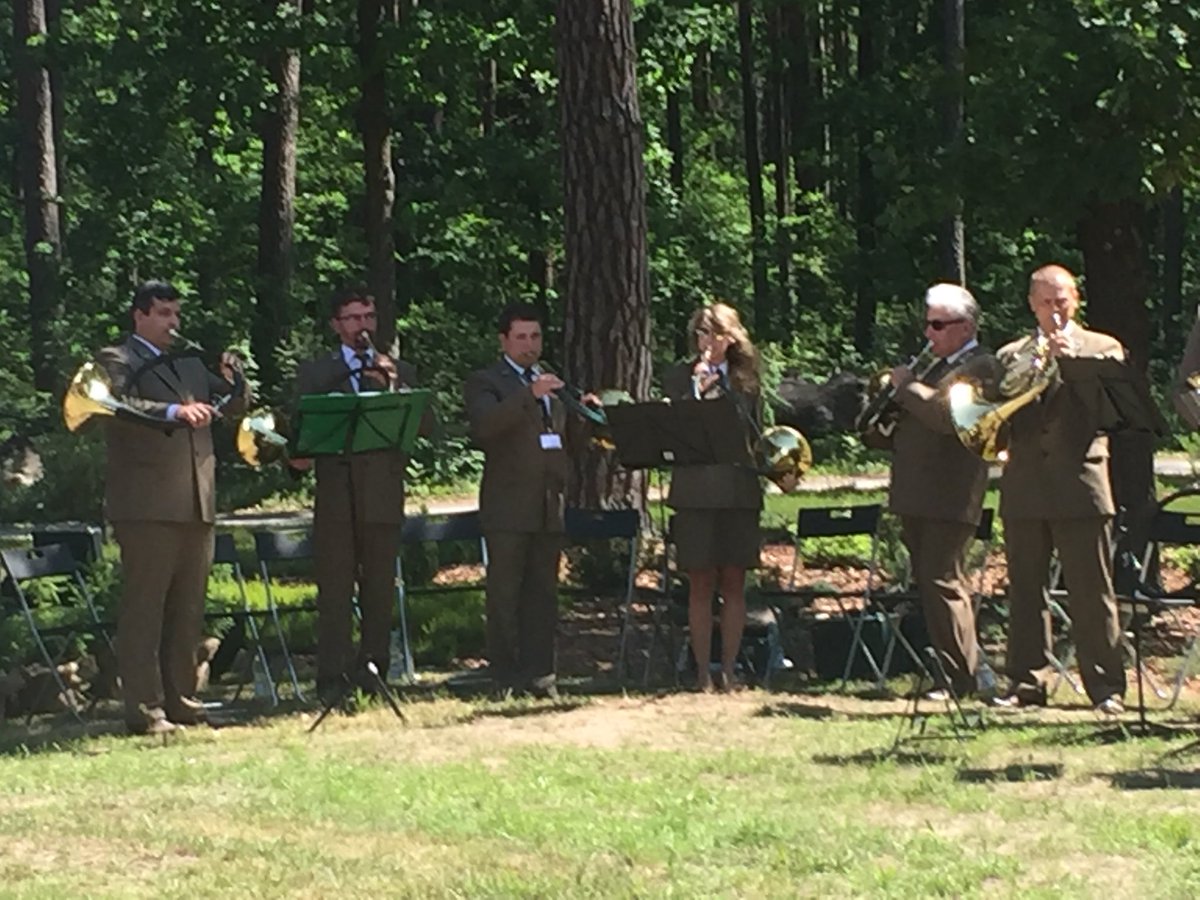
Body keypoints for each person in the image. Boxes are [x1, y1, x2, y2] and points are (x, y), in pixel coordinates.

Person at [97, 280, 247, 735]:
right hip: (146, 504)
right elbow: (113, 405)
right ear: (139, 315)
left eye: (176, 314)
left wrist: (236, 379)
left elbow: (233, 410)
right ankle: (144, 710)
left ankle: (183, 699)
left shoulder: (187, 361)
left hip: (196, 501)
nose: (173, 323)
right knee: (146, 608)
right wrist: (171, 414)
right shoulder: (117, 359)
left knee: (188, 608)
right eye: (163, 313)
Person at [995, 264, 1126, 713]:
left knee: (1093, 592)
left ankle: (1107, 688)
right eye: (1046, 301)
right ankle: (1026, 684)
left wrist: (1070, 361)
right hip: (1026, 484)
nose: (1055, 309)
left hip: (1081, 482)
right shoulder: (1013, 353)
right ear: (1032, 303)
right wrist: (1037, 365)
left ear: (1077, 299)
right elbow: (1000, 411)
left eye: (1062, 300)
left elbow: (1109, 408)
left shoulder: (1103, 347)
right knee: (1026, 591)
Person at [292, 287, 432, 700]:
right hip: (336, 497)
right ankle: (332, 680)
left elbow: (424, 427)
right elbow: (300, 433)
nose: (362, 326)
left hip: (383, 496)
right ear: (336, 325)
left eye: (368, 317)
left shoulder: (397, 369)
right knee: (335, 591)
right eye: (353, 318)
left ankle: (374, 675)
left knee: (380, 590)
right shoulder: (317, 372)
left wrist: (391, 386)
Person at [868, 283, 1000, 699]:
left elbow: (947, 416)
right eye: (927, 324)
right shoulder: (928, 368)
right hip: (915, 491)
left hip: (951, 491)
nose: (929, 333)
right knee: (930, 583)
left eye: (938, 324)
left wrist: (905, 388)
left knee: (944, 581)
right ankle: (956, 673)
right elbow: (899, 425)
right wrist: (881, 412)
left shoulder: (982, 367)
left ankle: (967, 677)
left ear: (965, 326)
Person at [463, 303, 568, 699]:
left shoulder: (552, 381)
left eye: (535, 336)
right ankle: (505, 677)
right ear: (504, 340)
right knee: (505, 595)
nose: (529, 345)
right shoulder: (486, 381)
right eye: (521, 337)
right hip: (508, 507)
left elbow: (562, 439)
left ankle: (542, 675)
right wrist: (528, 394)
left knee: (543, 594)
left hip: (548, 505)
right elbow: (486, 427)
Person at [662, 303, 762, 692]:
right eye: (702, 333)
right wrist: (695, 389)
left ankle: (730, 669)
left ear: (732, 337)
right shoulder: (678, 377)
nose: (708, 342)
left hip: (738, 491)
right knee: (700, 582)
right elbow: (674, 426)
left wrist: (721, 388)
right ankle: (702, 672)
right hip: (695, 493)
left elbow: (750, 430)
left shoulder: (747, 380)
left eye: (716, 333)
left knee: (734, 581)